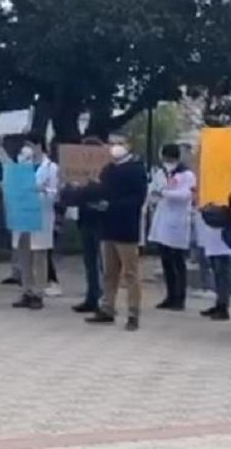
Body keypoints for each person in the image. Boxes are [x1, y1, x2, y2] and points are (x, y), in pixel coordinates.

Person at [66, 134, 148, 331]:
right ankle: (107, 308)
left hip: (126, 227)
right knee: (109, 273)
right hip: (107, 225)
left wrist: (112, 205)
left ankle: (133, 313)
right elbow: (100, 190)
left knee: (130, 273)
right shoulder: (109, 169)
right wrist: (78, 193)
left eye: (119, 143)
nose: (115, 146)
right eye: (112, 143)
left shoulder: (136, 169)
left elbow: (137, 199)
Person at [12, 133, 59, 310]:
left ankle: (38, 293)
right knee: (24, 255)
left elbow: (54, 194)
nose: (28, 149)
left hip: (40, 214)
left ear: (39, 146)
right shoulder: (24, 165)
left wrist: (41, 190)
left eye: (30, 145)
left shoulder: (51, 168)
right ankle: (26, 290)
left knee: (39, 256)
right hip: (23, 214)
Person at [148, 144, 196, 311]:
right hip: (162, 220)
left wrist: (164, 193)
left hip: (178, 221)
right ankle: (170, 296)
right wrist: (154, 195)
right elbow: (152, 189)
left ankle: (179, 297)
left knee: (178, 262)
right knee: (166, 261)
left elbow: (186, 195)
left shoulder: (186, 175)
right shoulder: (161, 172)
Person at [71, 136, 107, 313]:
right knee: (89, 261)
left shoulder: (107, 172)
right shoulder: (80, 175)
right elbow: (71, 197)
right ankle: (92, 296)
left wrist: (85, 189)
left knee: (103, 262)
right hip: (86, 219)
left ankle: (105, 299)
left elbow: (102, 192)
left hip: (102, 221)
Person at [197, 206, 231, 321]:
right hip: (211, 231)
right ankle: (219, 303)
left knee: (223, 273)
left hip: (224, 230)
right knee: (217, 271)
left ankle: (223, 306)